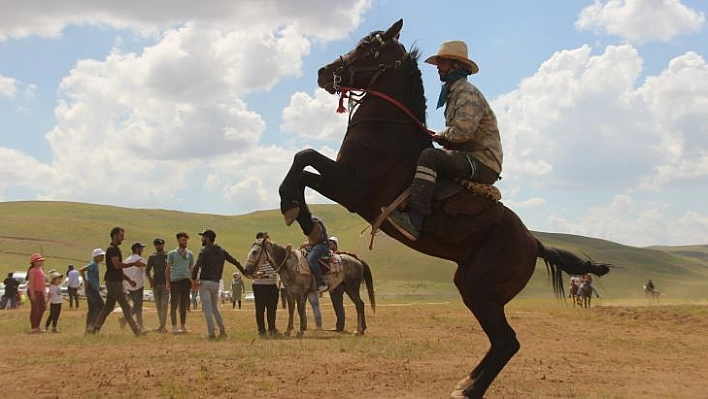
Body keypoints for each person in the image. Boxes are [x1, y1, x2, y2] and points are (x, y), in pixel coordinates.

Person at [387, 40, 503, 241]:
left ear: (456, 66)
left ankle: (415, 220)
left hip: (482, 163)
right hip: (471, 158)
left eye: (442, 63)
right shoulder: (454, 93)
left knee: (430, 158)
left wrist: (442, 136)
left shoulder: (466, 93)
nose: (438, 68)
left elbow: (462, 133)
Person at [86, 227, 143, 336]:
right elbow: (117, 265)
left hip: (115, 281)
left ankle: (95, 328)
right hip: (113, 283)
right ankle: (137, 330)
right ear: (115, 236)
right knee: (126, 306)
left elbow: (118, 269)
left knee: (108, 307)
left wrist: (129, 280)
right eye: (121, 236)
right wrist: (133, 264)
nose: (123, 238)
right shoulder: (112, 249)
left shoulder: (116, 249)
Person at [191, 229, 246, 339]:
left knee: (207, 308)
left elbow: (197, 266)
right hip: (216, 283)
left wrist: (193, 280)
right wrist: (244, 272)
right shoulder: (221, 250)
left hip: (205, 282)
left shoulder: (204, 251)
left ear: (207, 238)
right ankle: (222, 330)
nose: (201, 239)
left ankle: (211, 333)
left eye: (203, 237)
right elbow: (234, 261)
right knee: (215, 308)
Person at [252, 231, 280, 337]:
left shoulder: (272, 252)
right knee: (260, 308)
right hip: (259, 285)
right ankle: (262, 330)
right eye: (266, 238)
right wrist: (256, 273)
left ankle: (272, 328)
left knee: (272, 308)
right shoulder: (255, 252)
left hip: (272, 284)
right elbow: (250, 267)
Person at [166, 231, 194, 334]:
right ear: (178, 240)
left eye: (186, 240)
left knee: (183, 305)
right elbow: (168, 268)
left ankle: (183, 326)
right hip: (175, 281)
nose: (185, 242)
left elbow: (191, 268)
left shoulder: (190, 254)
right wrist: (167, 282)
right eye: (183, 240)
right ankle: (174, 327)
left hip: (186, 280)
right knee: (174, 304)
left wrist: (192, 280)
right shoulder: (172, 254)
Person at [122, 242, 147, 330]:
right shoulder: (140, 259)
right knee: (138, 306)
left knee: (137, 305)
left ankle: (139, 324)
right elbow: (145, 270)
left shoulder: (126, 260)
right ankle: (126, 319)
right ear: (137, 249)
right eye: (141, 248)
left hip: (129, 285)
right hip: (138, 285)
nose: (142, 250)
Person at [146, 237, 169, 333]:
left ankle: (163, 326)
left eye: (160, 244)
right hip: (156, 284)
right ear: (155, 245)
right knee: (158, 306)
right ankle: (161, 325)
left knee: (164, 305)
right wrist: (150, 280)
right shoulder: (152, 257)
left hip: (165, 283)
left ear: (163, 245)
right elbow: (147, 270)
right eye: (157, 244)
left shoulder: (168, 256)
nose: (159, 246)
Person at [79, 248, 106, 330]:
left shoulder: (96, 264)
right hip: (91, 289)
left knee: (92, 309)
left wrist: (99, 287)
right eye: (101, 256)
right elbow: (81, 270)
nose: (103, 257)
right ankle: (93, 324)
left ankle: (88, 326)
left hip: (92, 289)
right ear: (96, 256)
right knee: (101, 306)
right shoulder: (93, 264)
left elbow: (92, 277)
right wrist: (85, 280)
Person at [326, 236, 346, 332]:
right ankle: (339, 325)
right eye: (329, 243)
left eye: (331, 243)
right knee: (336, 304)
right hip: (332, 285)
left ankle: (340, 326)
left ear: (336, 245)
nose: (329, 245)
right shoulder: (329, 257)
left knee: (338, 304)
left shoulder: (338, 257)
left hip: (338, 284)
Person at [305, 216, 329, 293]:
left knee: (311, 259)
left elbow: (318, 239)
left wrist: (308, 244)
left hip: (322, 245)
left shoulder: (315, 222)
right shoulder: (309, 225)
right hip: (315, 246)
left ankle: (321, 284)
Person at [27, 253, 47, 333]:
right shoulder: (32, 271)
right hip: (34, 291)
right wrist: (32, 294)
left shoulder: (41, 270)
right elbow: (31, 283)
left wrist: (44, 293)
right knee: (35, 309)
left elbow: (42, 283)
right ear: (34, 262)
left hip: (40, 291)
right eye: (39, 261)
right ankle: (34, 327)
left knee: (42, 308)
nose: (41, 262)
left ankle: (37, 325)